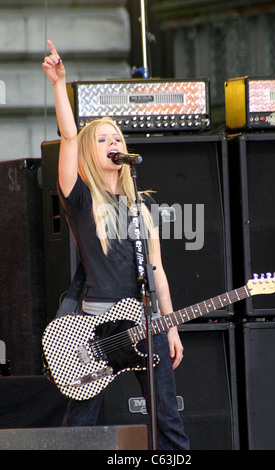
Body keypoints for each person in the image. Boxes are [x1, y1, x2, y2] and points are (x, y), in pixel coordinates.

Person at [42, 40, 190, 450]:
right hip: (96, 327)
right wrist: (59, 84)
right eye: (103, 139)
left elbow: (157, 271)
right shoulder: (80, 199)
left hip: (145, 322)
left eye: (117, 138)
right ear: (93, 151)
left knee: (167, 423)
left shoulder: (142, 205)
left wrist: (170, 325)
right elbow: (69, 137)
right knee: (82, 426)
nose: (114, 144)